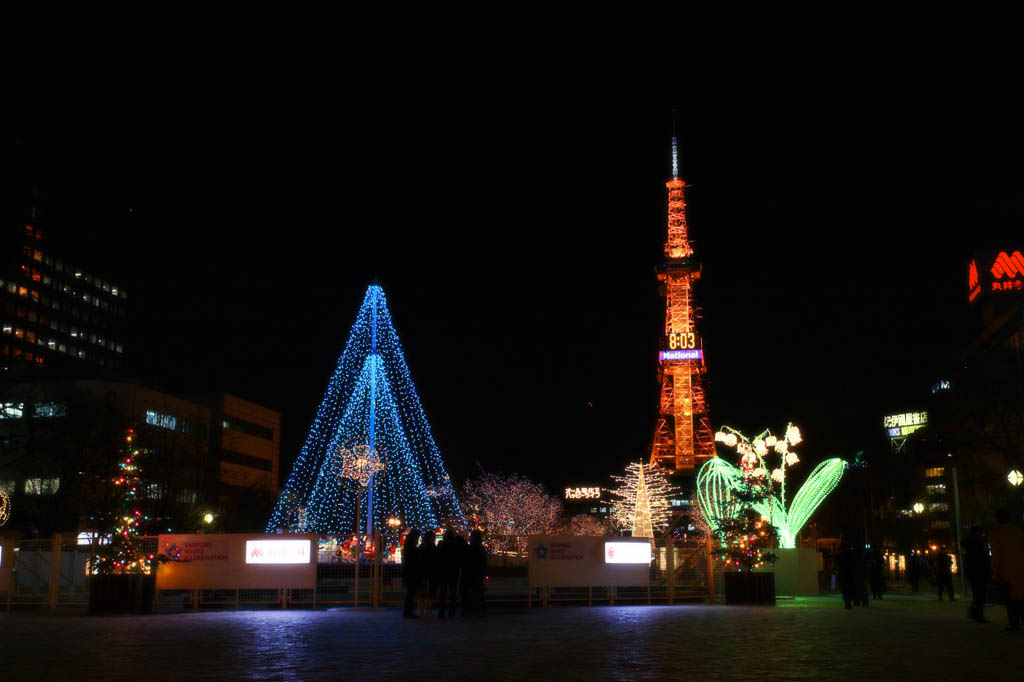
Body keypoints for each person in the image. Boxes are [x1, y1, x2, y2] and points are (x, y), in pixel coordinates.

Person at [990, 508, 1024, 632]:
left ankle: (1014, 624)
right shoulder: (1018, 532)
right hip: (1021, 571)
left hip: (1006, 572)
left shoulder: (996, 534)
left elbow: (996, 556)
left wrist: (995, 571)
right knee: (1022, 597)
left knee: (1011, 600)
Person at [963, 525, 991, 623]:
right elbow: (982, 559)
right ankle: (978, 615)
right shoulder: (977, 545)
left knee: (978, 595)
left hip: (974, 573)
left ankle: (976, 614)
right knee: (980, 595)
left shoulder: (970, 544)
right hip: (978, 573)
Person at [437, 529, 462, 618]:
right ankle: (452, 610)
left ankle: (441, 611)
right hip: (453, 571)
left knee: (443, 592)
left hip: (443, 571)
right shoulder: (455, 546)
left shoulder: (441, 545)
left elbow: (437, 557)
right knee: (452, 592)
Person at [463, 529, 488, 615]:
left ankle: (474, 610)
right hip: (478, 573)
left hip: (471, 573)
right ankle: (481, 610)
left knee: (473, 592)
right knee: (478, 592)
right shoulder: (481, 548)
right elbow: (484, 562)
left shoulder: (470, 548)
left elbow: (467, 561)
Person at [418, 531, 438, 617]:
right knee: (429, 593)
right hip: (430, 571)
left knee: (421, 593)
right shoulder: (432, 546)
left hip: (421, 571)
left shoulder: (421, 546)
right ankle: (428, 611)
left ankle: (420, 611)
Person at [402, 529, 421, 618]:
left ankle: (408, 610)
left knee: (410, 592)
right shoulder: (412, 547)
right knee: (411, 592)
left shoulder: (407, 546)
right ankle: (408, 611)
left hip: (408, 571)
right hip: (412, 572)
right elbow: (414, 559)